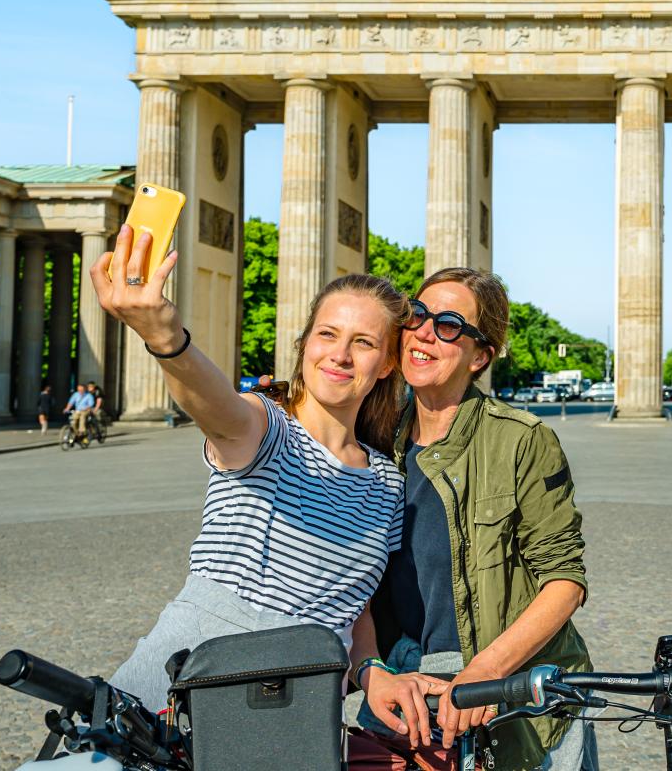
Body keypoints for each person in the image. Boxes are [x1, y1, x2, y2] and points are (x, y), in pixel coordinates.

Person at [90, 224, 442, 714]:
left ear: (386, 364)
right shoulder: (268, 430)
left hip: (300, 704)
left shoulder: (387, 482)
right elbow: (217, 408)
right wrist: (166, 339)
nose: (339, 354)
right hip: (190, 676)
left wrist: (372, 668)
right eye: (327, 334)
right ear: (305, 345)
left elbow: (354, 608)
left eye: (363, 342)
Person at [350, 267, 596, 771]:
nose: (423, 331)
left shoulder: (521, 440)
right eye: (417, 315)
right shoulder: (371, 440)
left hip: (511, 699)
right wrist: (371, 670)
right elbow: (353, 583)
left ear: (480, 355)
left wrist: (485, 673)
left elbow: (564, 582)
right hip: (406, 693)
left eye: (449, 325)